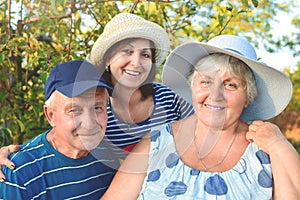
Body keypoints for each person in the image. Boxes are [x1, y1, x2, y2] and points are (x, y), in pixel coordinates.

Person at [101, 35, 300, 199]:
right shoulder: (156, 143)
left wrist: (279, 146)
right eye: (205, 82)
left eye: (230, 84)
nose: (215, 95)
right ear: (193, 87)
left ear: (248, 96)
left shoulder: (265, 150)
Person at [0, 13, 193, 179]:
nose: (136, 62)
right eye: (127, 51)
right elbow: (61, 135)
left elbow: (206, 128)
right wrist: (12, 152)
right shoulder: (98, 109)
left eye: (145, 55)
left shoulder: (168, 97)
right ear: (109, 59)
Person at [0, 60, 119, 199]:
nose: (89, 123)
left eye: (97, 107)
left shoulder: (108, 153)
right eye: (74, 110)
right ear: (50, 115)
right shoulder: (20, 171)